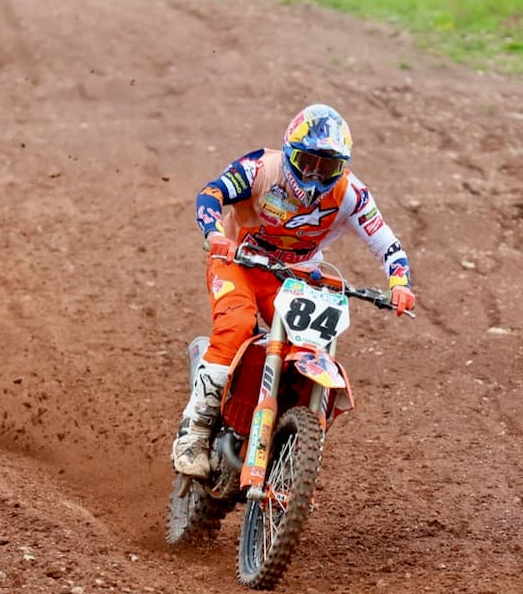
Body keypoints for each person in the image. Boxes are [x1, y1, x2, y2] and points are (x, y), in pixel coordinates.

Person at [172, 103, 416, 477]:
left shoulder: (352, 194)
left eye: (329, 168)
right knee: (235, 325)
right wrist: (214, 233)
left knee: (309, 346)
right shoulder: (260, 168)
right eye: (308, 163)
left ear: (343, 167)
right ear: (289, 154)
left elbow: (387, 244)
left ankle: (288, 440)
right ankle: (195, 431)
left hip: (294, 275)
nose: (317, 177)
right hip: (238, 260)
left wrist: (399, 283)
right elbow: (211, 194)